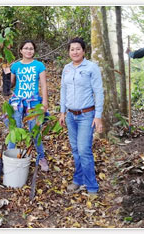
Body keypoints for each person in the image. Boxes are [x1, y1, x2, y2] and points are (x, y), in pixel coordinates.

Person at [59, 38, 104, 196]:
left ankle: (92, 186)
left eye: (78, 49)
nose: (75, 52)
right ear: (69, 52)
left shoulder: (91, 67)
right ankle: (78, 180)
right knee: (76, 149)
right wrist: (62, 111)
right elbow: (63, 90)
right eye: (72, 49)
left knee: (84, 150)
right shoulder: (67, 69)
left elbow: (98, 92)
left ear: (84, 51)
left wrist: (98, 116)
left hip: (86, 115)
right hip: (71, 115)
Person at [7, 40, 49, 171]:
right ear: (21, 51)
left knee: (35, 131)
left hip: (34, 102)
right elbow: (11, 84)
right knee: (15, 129)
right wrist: (6, 74)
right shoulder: (15, 66)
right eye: (26, 48)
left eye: (31, 48)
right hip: (18, 101)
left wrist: (45, 103)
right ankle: (9, 156)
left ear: (34, 51)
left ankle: (41, 157)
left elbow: (44, 85)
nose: (28, 51)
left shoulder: (39, 65)